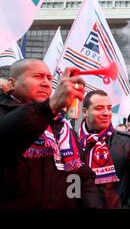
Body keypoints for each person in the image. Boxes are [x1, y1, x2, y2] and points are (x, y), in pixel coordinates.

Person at [0, 59, 101, 208]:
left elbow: (78, 175)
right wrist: (50, 106)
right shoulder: (4, 115)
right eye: (38, 76)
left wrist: (83, 204)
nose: (46, 83)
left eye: (49, 78)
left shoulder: (62, 127)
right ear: (13, 83)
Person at [79, 90, 130, 209]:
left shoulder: (126, 143)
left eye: (109, 108)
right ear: (85, 112)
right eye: (100, 108)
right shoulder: (72, 143)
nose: (107, 113)